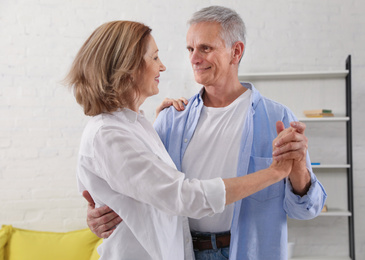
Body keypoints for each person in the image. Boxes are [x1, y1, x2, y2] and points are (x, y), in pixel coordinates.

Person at [83, 6, 327, 260]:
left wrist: (298, 167)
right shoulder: (171, 119)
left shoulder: (278, 118)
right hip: (183, 251)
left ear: (236, 52)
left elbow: (307, 210)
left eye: (205, 48)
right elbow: (144, 189)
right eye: (190, 49)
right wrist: (98, 213)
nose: (194, 58)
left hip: (246, 251)